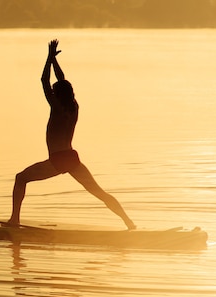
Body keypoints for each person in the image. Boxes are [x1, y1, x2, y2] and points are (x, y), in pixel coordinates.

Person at [8, 39, 136, 230]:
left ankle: (14, 220)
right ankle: (129, 223)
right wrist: (54, 61)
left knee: (21, 178)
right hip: (72, 157)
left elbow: (44, 81)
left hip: (58, 159)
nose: (51, 91)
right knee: (99, 193)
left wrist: (48, 58)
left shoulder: (57, 108)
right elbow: (62, 81)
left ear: (57, 95)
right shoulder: (74, 106)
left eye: (53, 92)